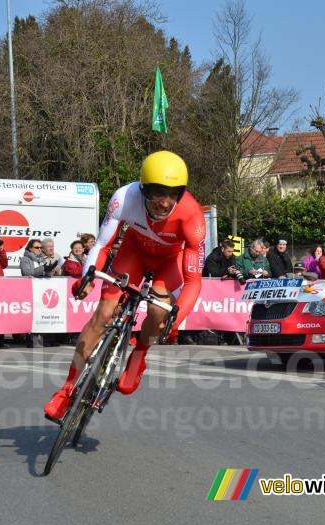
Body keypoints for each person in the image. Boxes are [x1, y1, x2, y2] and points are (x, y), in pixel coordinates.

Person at [44, 150, 206, 421]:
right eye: (157, 193)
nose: (165, 203)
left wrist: (175, 321)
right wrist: (88, 278)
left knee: (158, 311)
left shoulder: (193, 217)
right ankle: (67, 388)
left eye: (173, 194)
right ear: (143, 189)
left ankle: (139, 353)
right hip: (133, 252)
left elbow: (193, 281)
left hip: (169, 261)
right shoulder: (124, 198)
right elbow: (101, 245)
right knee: (103, 314)